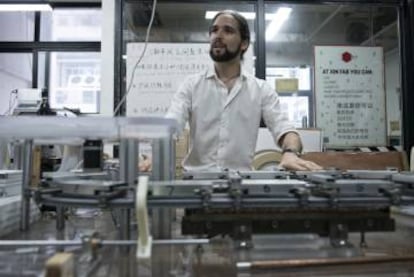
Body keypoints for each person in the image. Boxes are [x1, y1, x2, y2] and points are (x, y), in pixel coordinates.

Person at [164, 10, 321, 172]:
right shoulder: (191, 85)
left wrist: (290, 153)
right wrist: (158, 151)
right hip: (195, 182)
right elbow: (171, 124)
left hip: (241, 185)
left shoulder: (261, 90)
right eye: (214, 30)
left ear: (244, 43)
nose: (218, 35)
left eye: (228, 30)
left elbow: (286, 130)